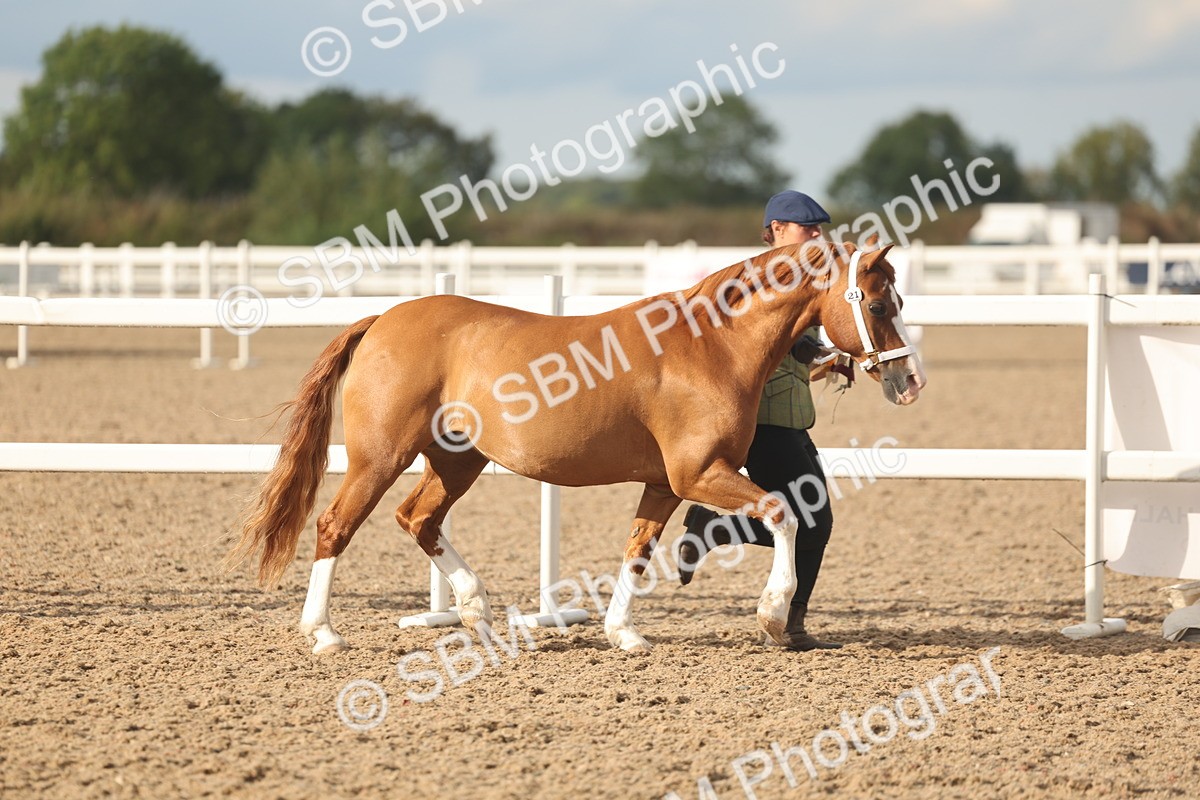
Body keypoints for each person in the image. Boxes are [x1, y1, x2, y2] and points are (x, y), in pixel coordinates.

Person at [674, 189, 841, 651]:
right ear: (779, 231)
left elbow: (792, 344)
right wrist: (810, 348)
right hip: (763, 417)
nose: (817, 235)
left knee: (816, 523)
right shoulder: (755, 281)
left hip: (791, 416)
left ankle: (717, 533)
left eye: (819, 228)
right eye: (808, 228)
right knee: (814, 521)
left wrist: (823, 357)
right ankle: (790, 625)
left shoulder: (801, 277)